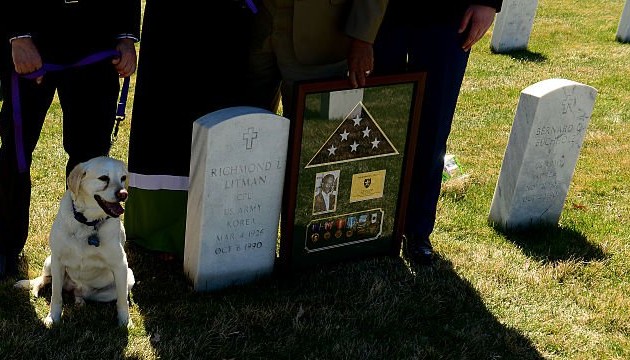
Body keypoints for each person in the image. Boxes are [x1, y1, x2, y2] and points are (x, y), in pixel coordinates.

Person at [0, 0, 140, 278]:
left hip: (94, 29)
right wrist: (19, 34)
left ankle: (88, 246)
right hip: (29, 28)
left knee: (90, 152)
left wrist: (124, 34)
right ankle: (7, 247)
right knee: (18, 148)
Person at [374, 1, 502, 264]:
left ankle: (417, 229)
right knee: (379, 120)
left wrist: (489, 3)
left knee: (433, 125)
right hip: (382, 11)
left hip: (450, 13)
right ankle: (372, 221)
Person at [124, 0, 254, 257]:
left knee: (213, 113)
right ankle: (157, 229)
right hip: (170, 19)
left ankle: (211, 225)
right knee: (165, 115)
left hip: (225, 21)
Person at [246, 0, 390, 112]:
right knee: (247, 119)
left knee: (307, 130)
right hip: (260, 17)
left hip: (323, 28)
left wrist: (363, 38)